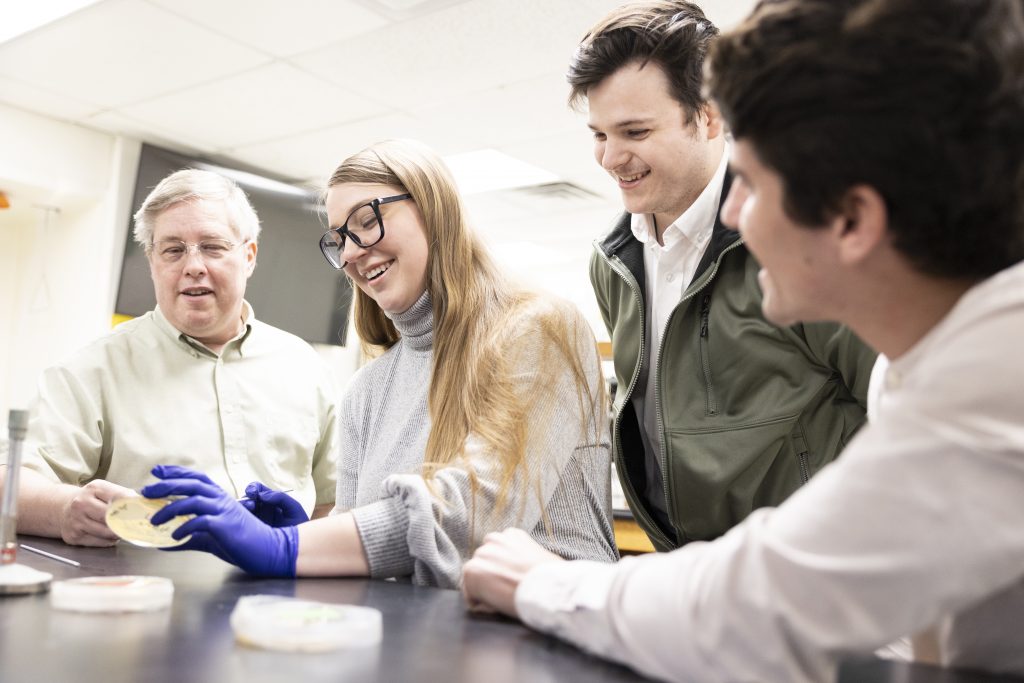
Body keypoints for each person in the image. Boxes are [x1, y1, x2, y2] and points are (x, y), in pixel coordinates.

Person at [463, 0, 1024, 679]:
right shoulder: (958, 352)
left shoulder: (998, 373)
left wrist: (541, 582)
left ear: (851, 218)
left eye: (751, 183)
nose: (731, 212)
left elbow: (769, 597)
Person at [139, 139, 618, 588]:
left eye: (366, 221)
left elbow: (476, 511)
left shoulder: (539, 329)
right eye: (339, 238)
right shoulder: (368, 388)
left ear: (433, 208)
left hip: (548, 639)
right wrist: (313, 535)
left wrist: (287, 548)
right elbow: (377, 553)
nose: (349, 252)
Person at [572, 0, 875, 550]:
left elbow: (901, 408)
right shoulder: (612, 263)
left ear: (709, 115)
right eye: (598, 134)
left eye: (635, 132)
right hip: (686, 575)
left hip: (812, 574)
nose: (610, 157)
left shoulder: (797, 230)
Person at [5, 169, 339, 546]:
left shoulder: (306, 368)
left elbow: (333, 503)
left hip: (279, 600)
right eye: (173, 250)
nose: (193, 265)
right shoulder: (92, 371)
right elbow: (11, 482)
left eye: (212, 246)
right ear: (152, 262)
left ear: (248, 256)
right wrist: (64, 508)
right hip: (145, 596)